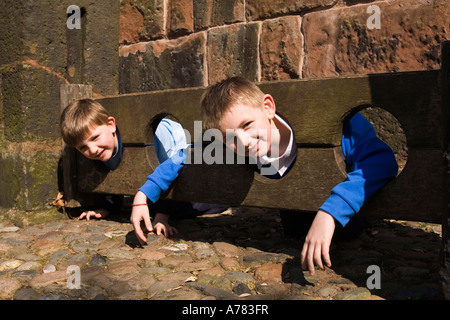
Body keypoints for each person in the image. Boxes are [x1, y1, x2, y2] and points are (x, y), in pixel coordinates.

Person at [200, 76, 399, 275]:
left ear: (268, 107)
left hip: (348, 222)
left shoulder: (336, 124)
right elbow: (191, 153)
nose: (243, 141)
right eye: (230, 138)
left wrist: (330, 212)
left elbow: (382, 161)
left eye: (247, 125)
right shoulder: (241, 153)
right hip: (295, 228)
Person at [130, 116, 228, 244]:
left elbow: (178, 168)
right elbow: (175, 164)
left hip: (203, 185)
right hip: (181, 178)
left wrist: (161, 216)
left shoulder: (167, 138)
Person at [60, 99, 124, 221]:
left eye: (95, 138)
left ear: (111, 125)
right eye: (83, 147)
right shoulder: (101, 154)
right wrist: (107, 208)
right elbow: (114, 181)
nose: (93, 150)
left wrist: (162, 215)